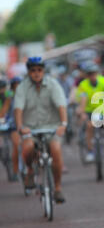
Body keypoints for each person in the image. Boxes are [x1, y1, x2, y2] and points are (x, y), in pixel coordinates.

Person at [14, 57, 68, 203]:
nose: (36, 73)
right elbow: (18, 108)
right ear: (29, 72)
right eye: (33, 70)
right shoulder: (22, 87)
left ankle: (57, 188)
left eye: (39, 70)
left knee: (56, 149)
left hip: (52, 128)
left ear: (43, 71)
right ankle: (30, 171)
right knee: (28, 147)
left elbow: (61, 105)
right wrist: (20, 127)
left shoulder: (53, 84)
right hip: (30, 130)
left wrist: (63, 124)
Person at [76, 62, 104, 163]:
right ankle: (90, 151)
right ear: (86, 75)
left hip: (103, 110)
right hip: (90, 111)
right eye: (89, 74)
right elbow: (83, 100)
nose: (92, 76)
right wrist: (82, 113)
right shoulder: (83, 85)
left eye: (94, 73)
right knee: (89, 126)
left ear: (97, 73)